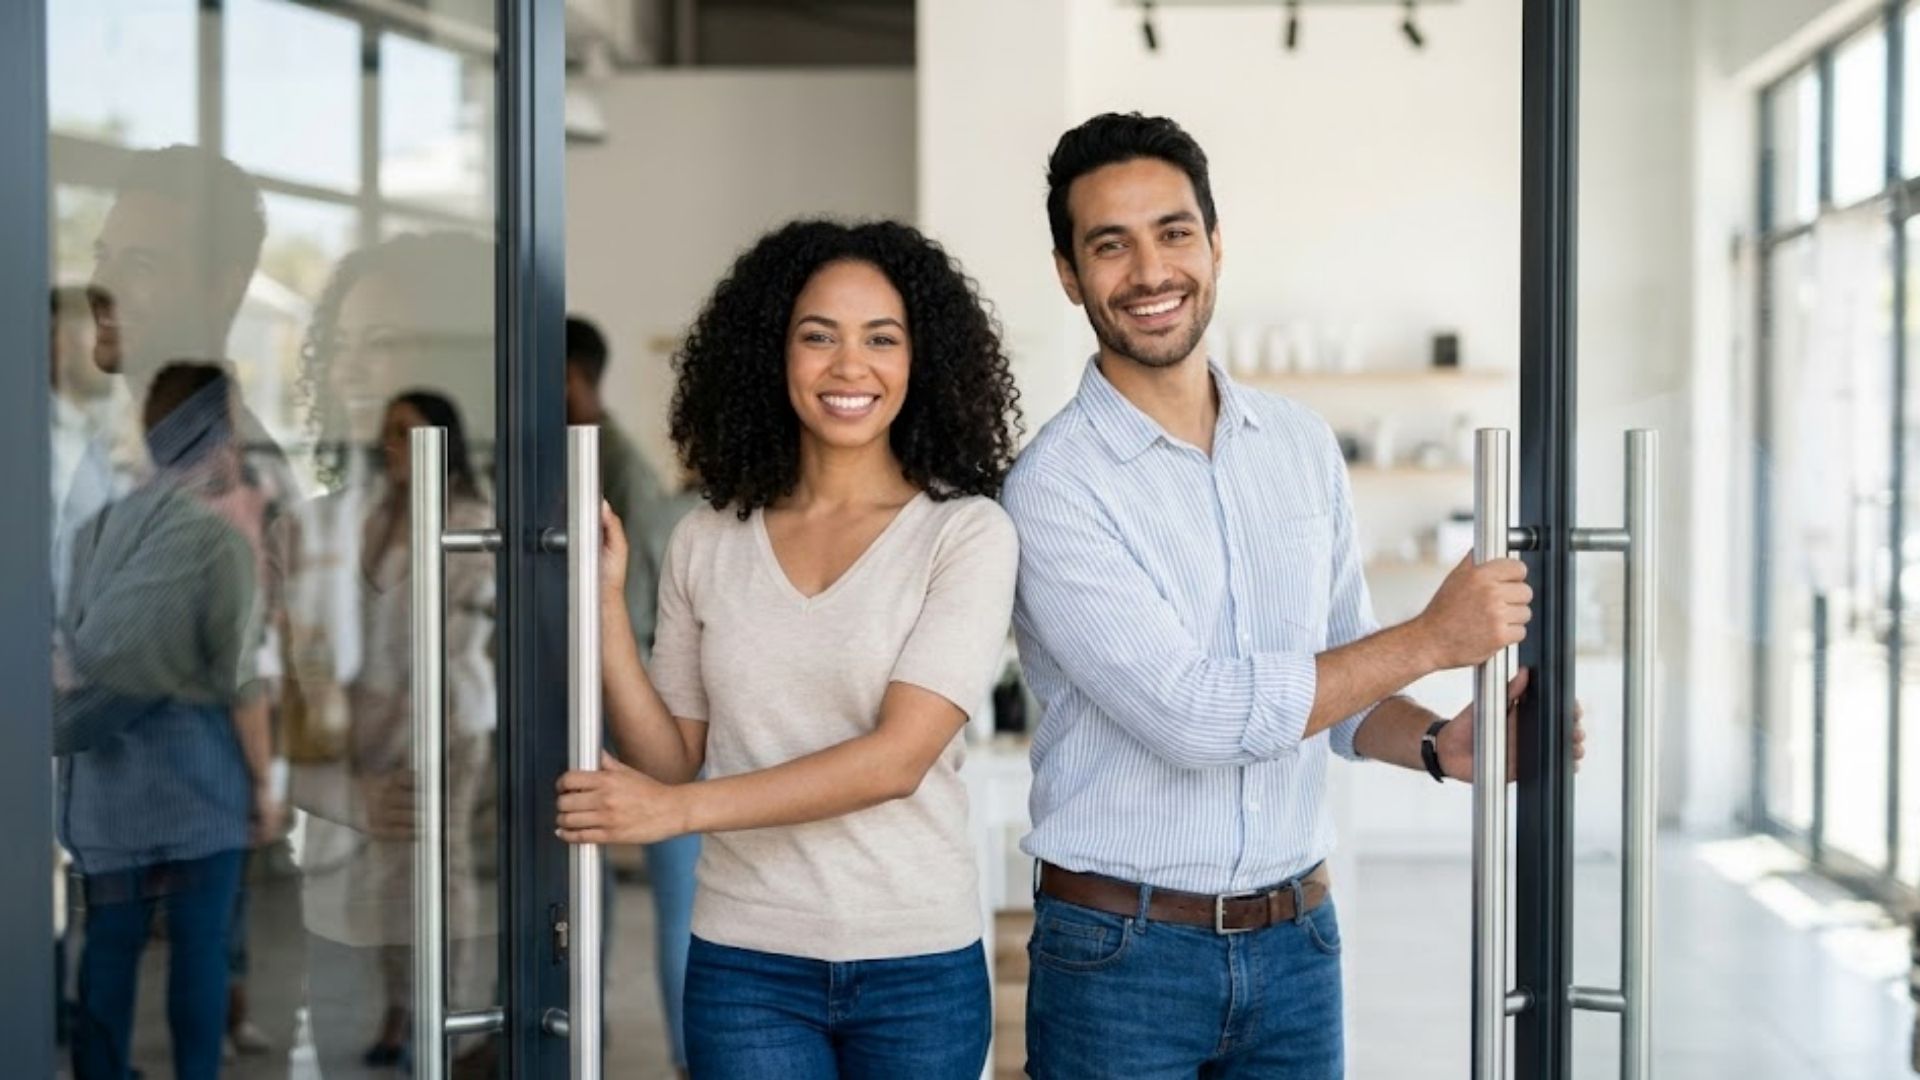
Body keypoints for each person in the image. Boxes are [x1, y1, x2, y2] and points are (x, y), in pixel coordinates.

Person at [1002, 112, 1586, 1079]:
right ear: (1070, 275)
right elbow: (1197, 715)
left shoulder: (1300, 445)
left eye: (1174, 232)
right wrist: (1433, 638)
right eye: (1111, 244)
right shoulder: (1054, 488)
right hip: (1121, 961)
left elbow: (1341, 688)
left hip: (1297, 947)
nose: (1151, 271)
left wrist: (1442, 742)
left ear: (1216, 244)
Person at [554, 219, 1022, 1080]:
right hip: (747, 961)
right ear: (773, 356)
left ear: (922, 363)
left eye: (882, 339)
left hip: (917, 961)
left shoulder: (965, 534)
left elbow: (896, 759)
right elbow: (668, 758)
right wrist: (606, 607)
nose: (851, 366)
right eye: (819, 338)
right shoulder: (705, 539)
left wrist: (678, 815)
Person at [284, 233, 500, 1076]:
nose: (391, 445)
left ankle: (442, 1015)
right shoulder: (362, 511)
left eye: (410, 433)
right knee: (381, 880)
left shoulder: (473, 517)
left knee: (435, 872)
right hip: (374, 716)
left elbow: (462, 636)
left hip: (447, 723)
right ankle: (398, 1015)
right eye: (388, 434)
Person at [57, 362, 269, 1080]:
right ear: (218, 434)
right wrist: (265, 784)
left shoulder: (96, 531)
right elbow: (241, 682)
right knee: (198, 950)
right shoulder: (218, 543)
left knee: (109, 948)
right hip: (197, 786)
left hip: (109, 788)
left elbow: (72, 653)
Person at [564, 313, 700, 1078]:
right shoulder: (679, 507)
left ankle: (686, 1057)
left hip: (656, 719)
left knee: (676, 902)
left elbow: (639, 625)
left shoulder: (649, 497)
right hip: (652, 719)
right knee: (659, 898)